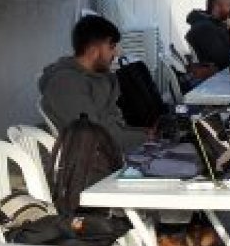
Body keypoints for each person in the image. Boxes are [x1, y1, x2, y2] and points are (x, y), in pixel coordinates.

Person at [39, 14, 148, 152]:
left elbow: (113, 125)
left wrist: (145, 133)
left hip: (117, 147)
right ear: (93, 50)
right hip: (100, 162)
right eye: (111, 46)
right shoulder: (66, 84)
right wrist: (147, 139)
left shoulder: (98, 77)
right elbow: (94, 137)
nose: (116, 53)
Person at [184, 0, 230, 70]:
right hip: (214, 77)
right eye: (228, 5)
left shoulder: (217, 23)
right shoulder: (205, 28)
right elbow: (223, 60)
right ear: (216, 7)